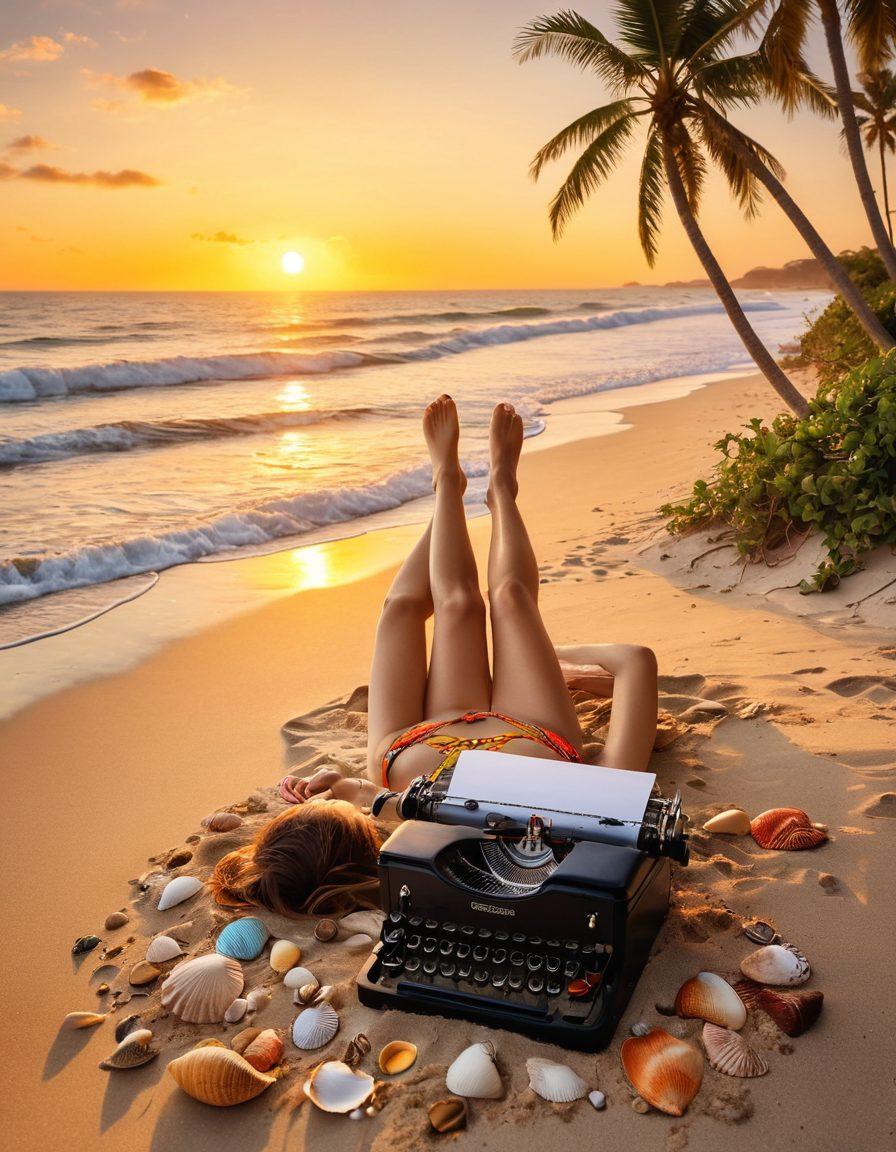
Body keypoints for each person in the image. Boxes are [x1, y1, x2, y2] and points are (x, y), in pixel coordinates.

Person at [209, 397, 658, 917]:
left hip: (423, 739)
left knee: (448, 605)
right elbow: (636, 661)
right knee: (508, 598)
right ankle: (501, 491)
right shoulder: (585, 815)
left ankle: (447, 484)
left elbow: (635, 662)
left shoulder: (385, 784)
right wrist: (547, 657)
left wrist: (347, 786)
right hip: (531, 724)